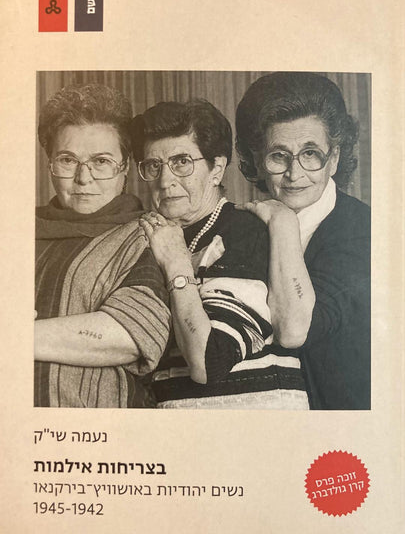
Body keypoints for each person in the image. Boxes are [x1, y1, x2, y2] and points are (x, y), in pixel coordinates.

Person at [131, 99, 309, 409]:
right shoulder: (151, 235)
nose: (165, 180)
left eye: (182, 162)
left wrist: (177, 265)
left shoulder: (243, 231)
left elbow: (208, 361)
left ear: (216, 168)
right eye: (153, 166)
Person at [235, 72, 370, 410]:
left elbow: (296, 332)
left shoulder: (362, 230)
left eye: (311, 154)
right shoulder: (247, 225)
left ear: (334, 158)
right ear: (257, 161)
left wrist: (282, 223)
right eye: (278, 156)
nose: (294, 175)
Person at [35, 83, 170, 407]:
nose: (84, 178)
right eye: (67, 160)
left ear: (124, 169)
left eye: (101, 161)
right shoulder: (15, 233)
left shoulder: (145, 235)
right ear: (50, 164)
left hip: (99, 424)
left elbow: (131, 334)